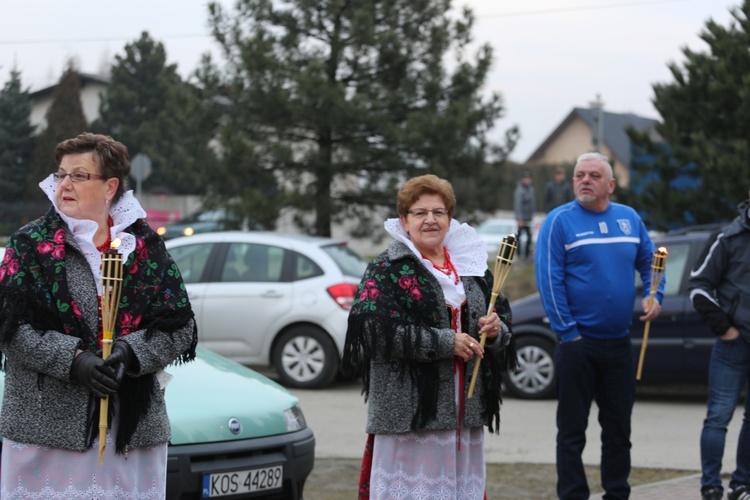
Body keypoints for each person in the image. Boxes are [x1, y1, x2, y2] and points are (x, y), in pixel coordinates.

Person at [0, 132, 197, 498]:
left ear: (110, 187)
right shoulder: (31, 244)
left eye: (78, 175)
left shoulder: (144, 246)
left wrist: (129, 353)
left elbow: (178, 326)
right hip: (47, 430)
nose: (65, 184)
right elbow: (9, 329)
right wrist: (74, 361)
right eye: (61, 175)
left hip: (130, 430)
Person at [342, 174, 517, 499]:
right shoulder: (387, 269)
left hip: (465, 412)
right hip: (411, 412)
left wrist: (494, 331)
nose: (430, 220)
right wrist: (446, 342)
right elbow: (375, 332)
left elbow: (503, 322)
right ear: (404, 221)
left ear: (450, 219)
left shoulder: (472, 268)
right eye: (420, 212)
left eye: (439, 212)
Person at [535, 152, 664, 499]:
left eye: (593, 175)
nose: (584, 180)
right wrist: (568, 334)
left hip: (620, 344)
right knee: (572, 432)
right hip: (578, 343)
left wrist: (656, 296)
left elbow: (652, 262)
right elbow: (550, 281)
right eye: (579, 175)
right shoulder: (558, 221)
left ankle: (617, 492)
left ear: (611, 184)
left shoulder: (629, 218)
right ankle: (574, 494)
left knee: (619, 430)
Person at [687, 191, 750, 500]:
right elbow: (698, 285)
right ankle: (710, 485)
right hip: (732, 345)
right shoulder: (727, 237)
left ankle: (742, 485)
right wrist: (725, 329)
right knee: (718, 418)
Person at [514, 170, 536, 259]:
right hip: (522, 219)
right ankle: (518, 255)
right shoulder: (519, 190)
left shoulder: (531, 189)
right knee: (518, 237)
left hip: (529, 218)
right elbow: (518, 205)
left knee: (529, 237)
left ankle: (527, 255)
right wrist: (520, 219)